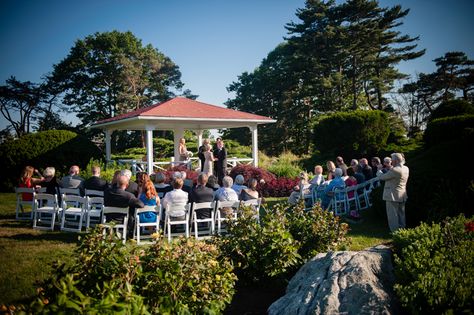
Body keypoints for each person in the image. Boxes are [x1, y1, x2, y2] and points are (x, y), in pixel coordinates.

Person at [376, 153, 409, 232]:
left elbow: (382, 177)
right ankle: (402, 230)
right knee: (401, 214)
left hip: (392, 195)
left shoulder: (395, 170)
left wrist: (379, 170)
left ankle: (395, 232)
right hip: (402, 194)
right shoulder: (406, 168)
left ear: (396, 160)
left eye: (392, 160)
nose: (391, 161)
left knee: (393, 216)